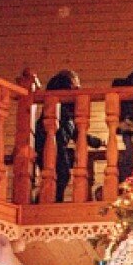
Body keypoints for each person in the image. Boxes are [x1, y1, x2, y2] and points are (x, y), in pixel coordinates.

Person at [33, 69, 80, 201]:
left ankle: (50, 199)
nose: (78, 89)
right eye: (76, 85)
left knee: (60, 175)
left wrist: (97, 142)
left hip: (57, 143)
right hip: (48, 140)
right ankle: (49, 200)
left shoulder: (68, 116)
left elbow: (76, 133)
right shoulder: (62, 104)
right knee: (59, 174)